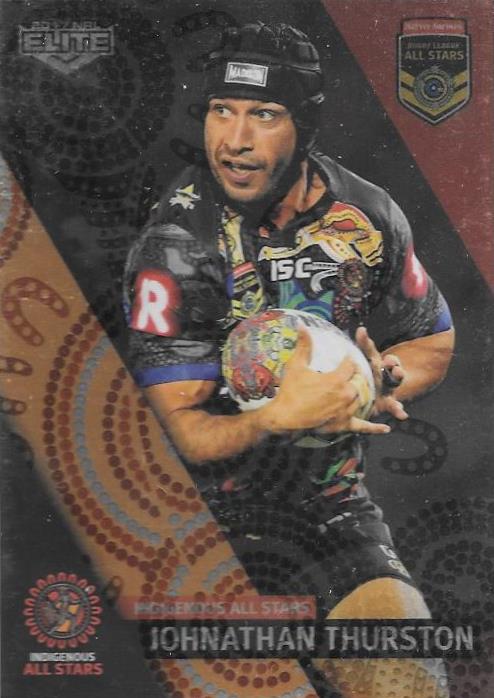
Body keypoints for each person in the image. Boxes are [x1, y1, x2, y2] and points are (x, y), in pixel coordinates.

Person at [123, 21, 454, 697]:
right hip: (200, 535)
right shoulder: (176, 244)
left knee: (412, 685)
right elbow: (182, 432)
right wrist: (277, 417)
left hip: (331, 514)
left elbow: (431, 340)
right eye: (222, 110)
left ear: (305, 126)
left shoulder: (367, 214)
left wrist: (378, 381)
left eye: (264, 115)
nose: (235, 140)